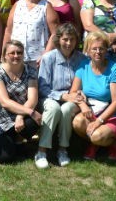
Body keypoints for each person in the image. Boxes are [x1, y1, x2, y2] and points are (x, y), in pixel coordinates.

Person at [71, 31, 116, 160]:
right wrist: (82, 105)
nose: (98, 52)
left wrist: (98, 121)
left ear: (106, 49)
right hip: (93, 110)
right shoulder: (83, 66)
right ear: (87, 50)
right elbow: (73, 92)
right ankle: (95, 143)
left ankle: (113, 142)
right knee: (77, 122)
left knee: (97, 136)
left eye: (101, 48)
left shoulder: (114, 67)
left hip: (114, 114)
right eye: (94, 49)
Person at [36, 23, 87, 168]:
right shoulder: (49, 58)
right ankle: (41, 151)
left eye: (72, 39)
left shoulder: (82, 59)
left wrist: (77, 95)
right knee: (53, 108)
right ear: (58, 40)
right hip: (50, 97)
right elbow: (43, 88)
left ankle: (62, 150)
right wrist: (63, 96)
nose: (69, 43)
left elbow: (86, 82)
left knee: (66, 110)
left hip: (74, 98)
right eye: (65, 39)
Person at [0, 40, 42, 163]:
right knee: (4, 158)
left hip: (19, 115)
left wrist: (20, 116)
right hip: (1, 120)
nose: (16, 56)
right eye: (12, 53)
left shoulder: (31, 71)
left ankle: (18, 140)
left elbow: (33, 99)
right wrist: (29, 112)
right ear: (5, 55)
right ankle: (11, 142)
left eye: (19, 53)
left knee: (33, 122)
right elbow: (4, 102)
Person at [3, 0, 59, 68]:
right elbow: (8, 31)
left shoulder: (46, 6)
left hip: (37, 59)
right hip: (14, 56)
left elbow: (55, 33)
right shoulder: (17, 5)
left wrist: (45, 55)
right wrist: (4, 53)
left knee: (34, 83)